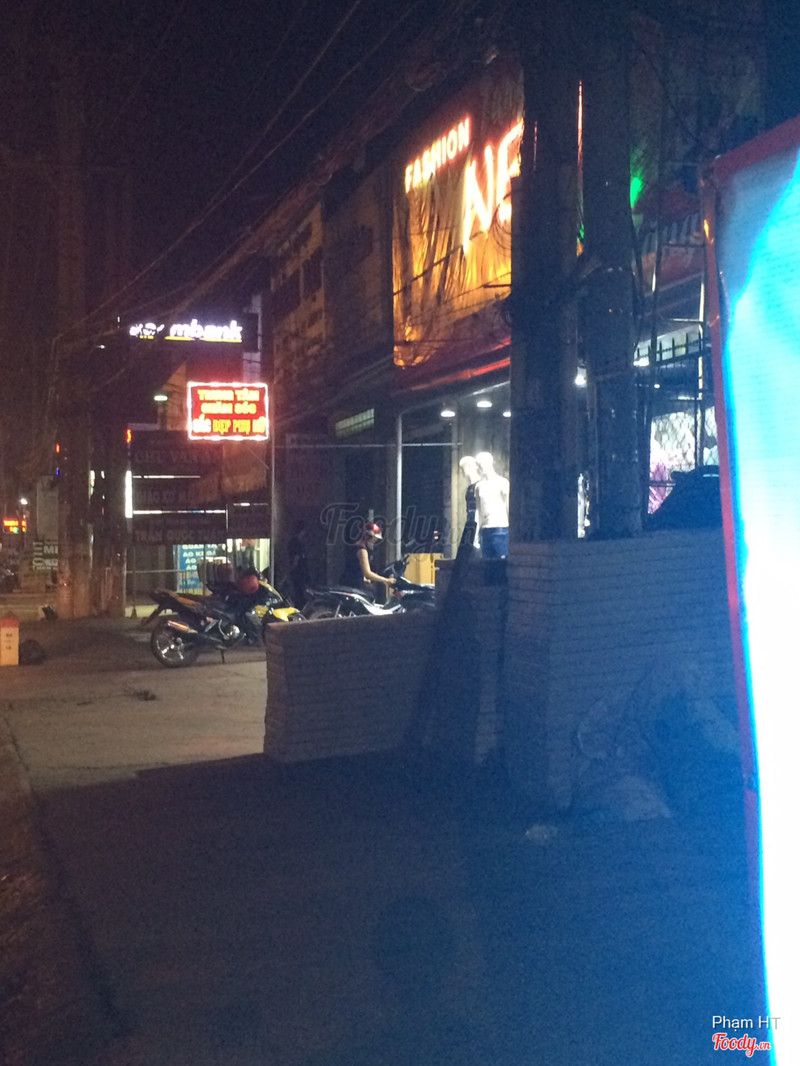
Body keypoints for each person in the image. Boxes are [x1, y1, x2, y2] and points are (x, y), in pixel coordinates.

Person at [341, 521, 396, 595]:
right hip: (352, 587)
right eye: (374, 539)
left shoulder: (356, 547)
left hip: (350, 584)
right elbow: (367, 573)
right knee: (370, 595)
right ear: (367, 536)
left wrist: (363, 578)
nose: (374, 542)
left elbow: (356, 568)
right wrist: (386, 580)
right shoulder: (362, 551)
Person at [474, 451, 509, 558]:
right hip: (485, 530)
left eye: (481, 464)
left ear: (489, 463)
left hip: (501, 527)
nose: (479, 468)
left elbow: (508, 506)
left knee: (501, 561)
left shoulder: (503, 483)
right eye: (477, 465)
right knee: (486, 562)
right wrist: (476, 534)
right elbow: (478, 511)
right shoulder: (479, 486)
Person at [458, 455, 480, 554]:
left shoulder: (479, 486)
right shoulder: (469, 488)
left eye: (463, 468)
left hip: (476, 524)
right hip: (471, 524)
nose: (462, 471)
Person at [287, 521, 311, 606]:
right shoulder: (296, 543)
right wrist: (291, 569)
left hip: (299, 572)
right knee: (299, 592)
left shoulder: (297, 542)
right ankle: (300, 606)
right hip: (299, 573)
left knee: (299, 592)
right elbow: (296, 558)